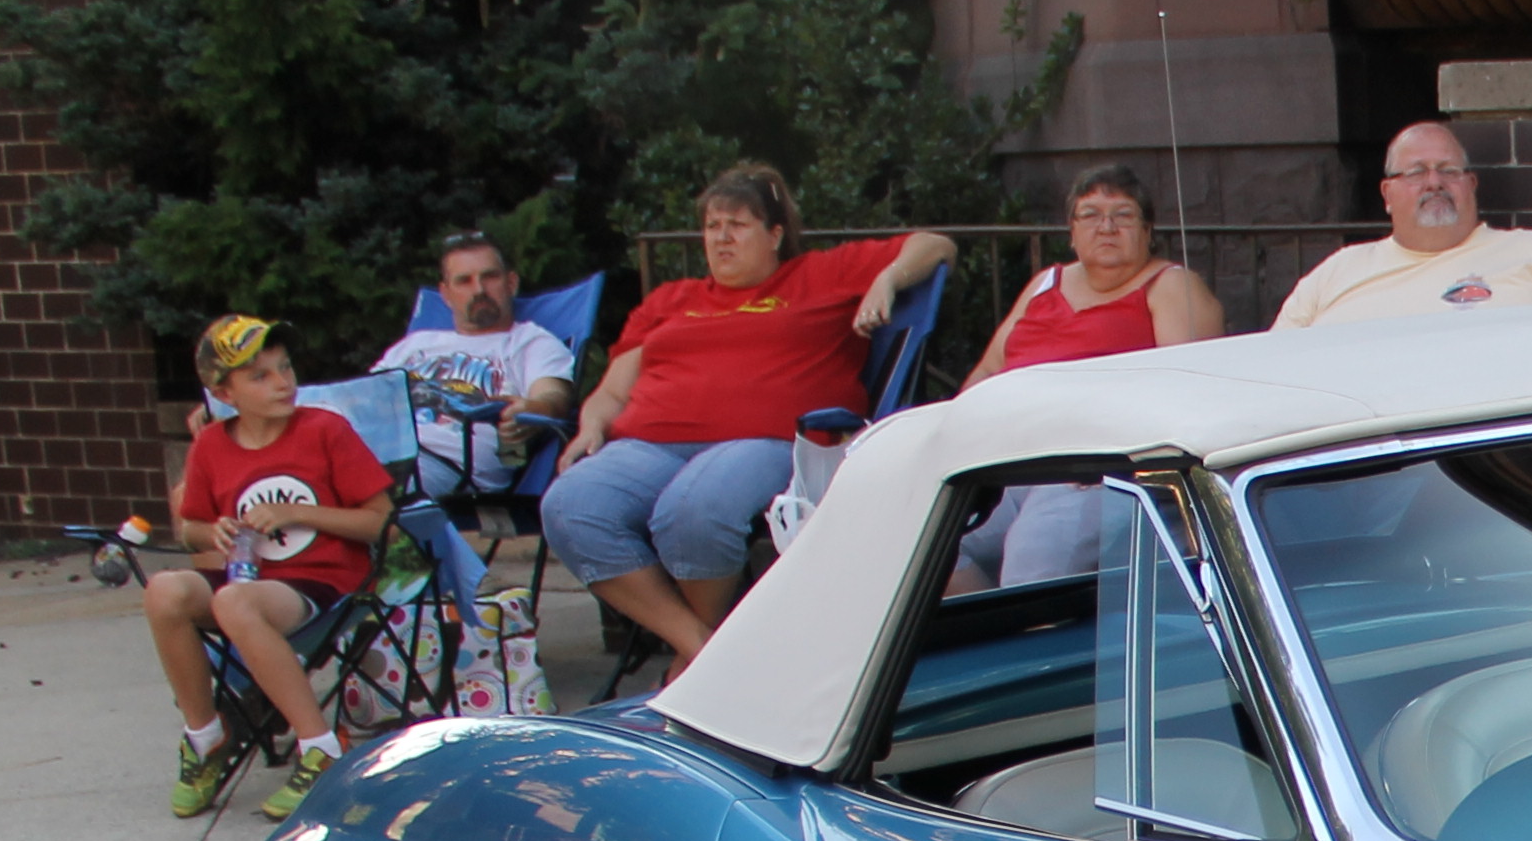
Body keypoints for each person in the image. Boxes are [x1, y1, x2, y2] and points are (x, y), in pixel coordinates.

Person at [544, 162, 954, 674]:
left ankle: (691, 666)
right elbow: (612, 390)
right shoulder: (672, 300)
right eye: (712, 226)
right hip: (648, 444)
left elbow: (936, 245)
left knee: (691, 512)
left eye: (737, 225)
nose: (722, 238)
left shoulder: (820, 275)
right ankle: (703, 650)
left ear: (775, 234)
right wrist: (591, 425)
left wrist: (888, 279)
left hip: (764, 441)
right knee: (570, 507)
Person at [141, 316, 394, 821]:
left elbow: (380, 522)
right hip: (247, 577)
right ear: (224, 392)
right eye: (260, 376)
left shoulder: (324, 431)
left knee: (234, 602)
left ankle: (320, 748)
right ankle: (205, 737)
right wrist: (212, 532)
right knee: (164, 591)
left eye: (285, 367)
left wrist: (298, 513)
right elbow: (190, 528)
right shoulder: (211, 445)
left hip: (325, 581)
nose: (282, 383)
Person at [953, 165, 1228, 587]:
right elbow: (989, 369)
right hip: (1007, 464)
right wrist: (957, 441)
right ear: (1072, 231)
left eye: (1123, 215)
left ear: (1147, 231)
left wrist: (1103, 455)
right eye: (1091, 214)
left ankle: (1033, 627)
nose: (1107, 227)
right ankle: (997, 628)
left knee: (1033, 562)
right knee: (926, 547)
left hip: (1094, 473)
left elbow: (1188, 391)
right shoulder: (1044, 284)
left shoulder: (1171, 286)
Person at [1270, 121, 1532, 328]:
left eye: (1448, 171)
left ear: (1471, 185)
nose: (1434, 183)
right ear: (1387, 194)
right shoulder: (1336, 273)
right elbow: (1276, 362)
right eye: (1416, 172)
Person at [374, 232, 579, 495]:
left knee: (365, 490)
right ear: (446, 294)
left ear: (511, 283)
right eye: (464, 281)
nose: (479, 290)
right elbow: (363, 397)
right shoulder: (415, 344)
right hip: (377, 451)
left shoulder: (530, 342)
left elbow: (553, 396)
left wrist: (535, 409)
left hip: (444, 466)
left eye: (490, 277)